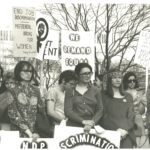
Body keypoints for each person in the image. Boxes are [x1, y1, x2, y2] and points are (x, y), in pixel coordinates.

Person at [8, 61, 44, 138]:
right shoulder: (12, 90)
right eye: (25, 71)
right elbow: (13, 114)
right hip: (17, 132)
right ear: (18, 72)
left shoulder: (36, 90)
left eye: (30, 71)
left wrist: (36, 131)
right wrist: (29, 133)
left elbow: (40, 111)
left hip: (35, 132)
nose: (29, 73)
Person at [101, 69, 136, 148]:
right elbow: (103, 116)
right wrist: (116, 131)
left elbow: (131, 116)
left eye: (120, 77)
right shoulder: (103, 96)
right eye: (114, 77)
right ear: (110, 80)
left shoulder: (128, 96)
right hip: (110, 134)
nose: (118, 80)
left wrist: (125, 130)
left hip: (126, 134)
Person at [64, 63, 103, 133]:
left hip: (92, 126)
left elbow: (100, 109)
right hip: (74, 126)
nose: (88, 76)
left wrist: (92, 122)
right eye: (84, 74)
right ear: (77, 75)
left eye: (89, 73)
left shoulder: (96, 90)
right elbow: (68, 111)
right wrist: (83, 121)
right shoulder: (70, 90)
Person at [123, 71, 148, 148]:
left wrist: (143, 103)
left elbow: (143, 109)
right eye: (130, 81)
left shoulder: (139, 93)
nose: (132, 82)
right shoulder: (123, 93)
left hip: (138, 120)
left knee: (139, 142)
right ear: (126, 82)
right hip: (126, 120)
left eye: (134, 80)